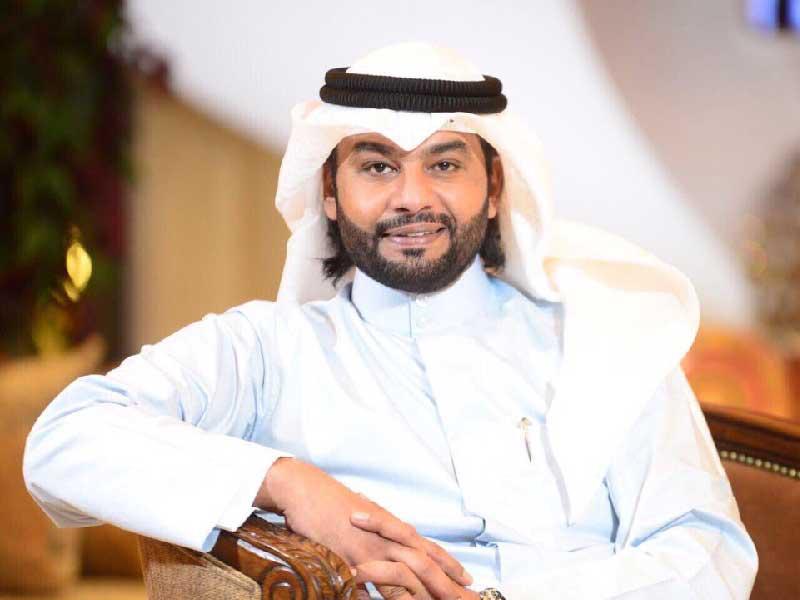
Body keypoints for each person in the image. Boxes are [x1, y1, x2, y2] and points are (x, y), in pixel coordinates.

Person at [24, 42, 757, 599]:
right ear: (330, 192)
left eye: (444, 164)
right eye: (377, 166)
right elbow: (64, 440)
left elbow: (710, 551)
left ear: (494, 188)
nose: (412, 197)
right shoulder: (270, 350)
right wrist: (287, 482)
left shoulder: (603, 335)